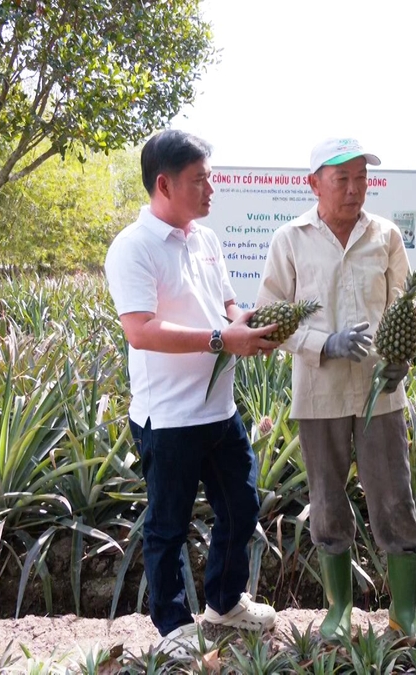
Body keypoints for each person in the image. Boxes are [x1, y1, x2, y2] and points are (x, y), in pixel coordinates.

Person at [104, 129, 279, 659]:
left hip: (219, 410)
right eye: (200, 179)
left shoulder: (206, 239)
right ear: (164, 183)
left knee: (242, 506)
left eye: (211, 177)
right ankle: (174, 626)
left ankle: (224, 604)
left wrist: (247, 323)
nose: (211, 188)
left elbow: (226, 306)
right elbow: (141, 330)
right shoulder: (132, 248)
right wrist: (221, 338)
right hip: (170, 416)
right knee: (168, 525)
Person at [256, 137, 416, 642]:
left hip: (381, 393)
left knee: (395, 498)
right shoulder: (289, 239)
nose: (355, 189)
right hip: (319, 391)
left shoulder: (386, 235)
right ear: (314, 183)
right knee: (328, 501)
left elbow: (406, 306)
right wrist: (322, 342)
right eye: (343, 179)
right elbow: (270, 317)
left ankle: (406, 612)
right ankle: (339, 613)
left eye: (362, 178)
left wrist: (402, 358)